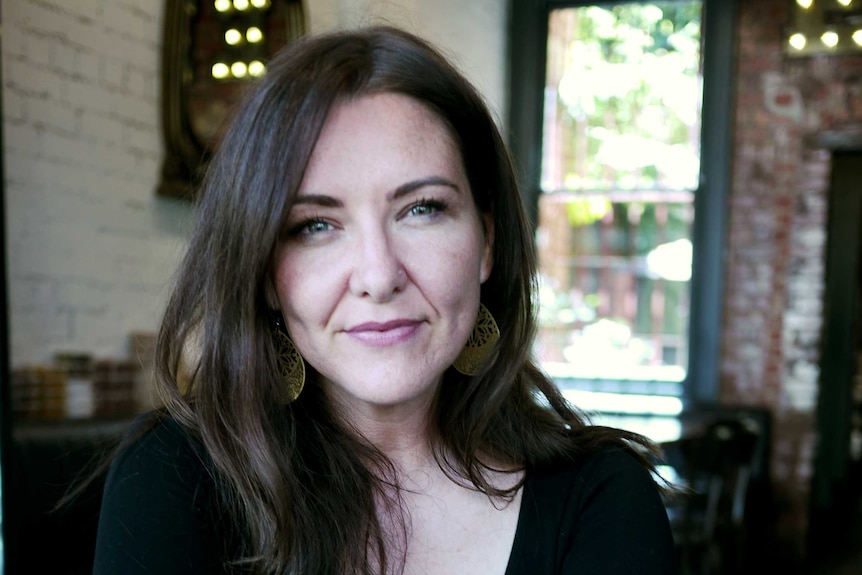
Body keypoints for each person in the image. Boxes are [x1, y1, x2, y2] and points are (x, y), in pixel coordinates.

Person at [92, 25, 678, 575]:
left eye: (422, 209)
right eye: (315, 225)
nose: (378, 275)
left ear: (486, 243)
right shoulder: (172, 477)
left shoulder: (602, 495)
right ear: (266, 272)